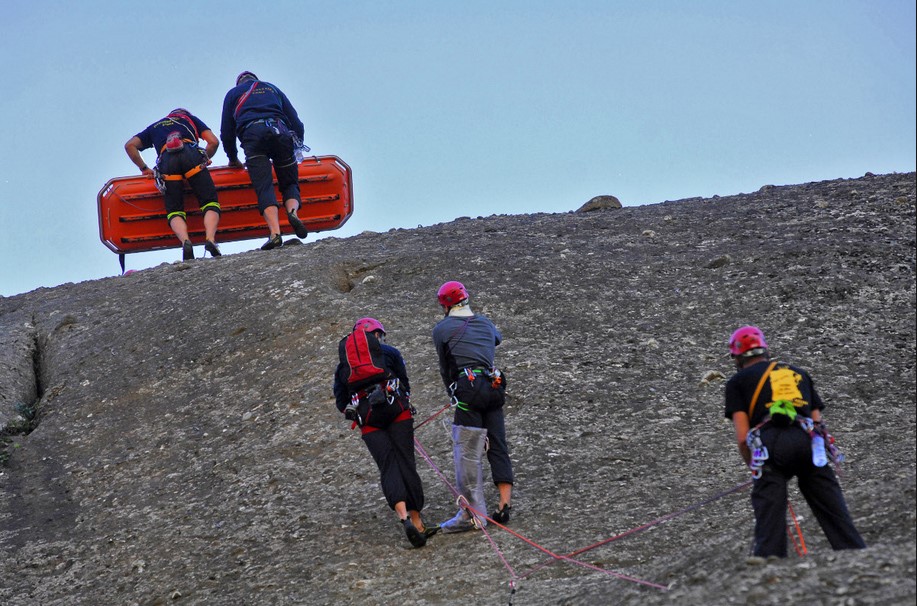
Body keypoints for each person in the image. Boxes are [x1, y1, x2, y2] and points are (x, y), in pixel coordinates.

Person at [724, 325, 866, 558]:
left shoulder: (737, 382)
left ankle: (770, 560)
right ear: (764, 349)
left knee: (769, 505)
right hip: (808, 441)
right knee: (829, 501)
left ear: (738, 356)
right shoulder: (798, 373)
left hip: (769, 445)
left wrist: (755, 467)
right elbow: (817, 422)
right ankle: (854, 550)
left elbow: (743, 438)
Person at [332, 317, 439, 548]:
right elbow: (404, 382)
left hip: (367, 418)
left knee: (388, 465)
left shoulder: (344, 365)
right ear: (378, 334)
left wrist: (358, 410)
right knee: (405, 462)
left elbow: (341, 401)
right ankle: (418, 521)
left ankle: (403, 518)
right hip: (396, 410)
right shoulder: (389, 352)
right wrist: (404, 400)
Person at [432, 281, 513, 533]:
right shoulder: (485, 323)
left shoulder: (442, 329)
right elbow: (496, 340)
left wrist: (452, 393)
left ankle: (473, 515)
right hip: (493, 385)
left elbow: (445, 367)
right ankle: (504, 505)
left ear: (445, 305)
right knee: (497, 443)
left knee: (468, 451)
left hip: (467, 388)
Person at [220, 71, 309, 251]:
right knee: (290, 182)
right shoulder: (272, 88)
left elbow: (226, 131)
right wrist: (297, 145)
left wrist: (232, 158)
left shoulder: (233, 94)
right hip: (280, 132)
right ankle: (292, 213)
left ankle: (275, 234)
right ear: (256, 79)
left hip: (253, 136)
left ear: (239, 83)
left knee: (264, 187)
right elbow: (296, 122)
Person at [125, 108, 222, 260]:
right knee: (209, 202)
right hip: (191, 156)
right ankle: (210, 239)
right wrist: (203, 159)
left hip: (167, 162)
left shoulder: (155, 126)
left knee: (175, 209)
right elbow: (213, 142)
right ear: (185, 114)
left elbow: (130, 145)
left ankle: (185, 241)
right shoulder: (190, 120)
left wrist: (144, 168)